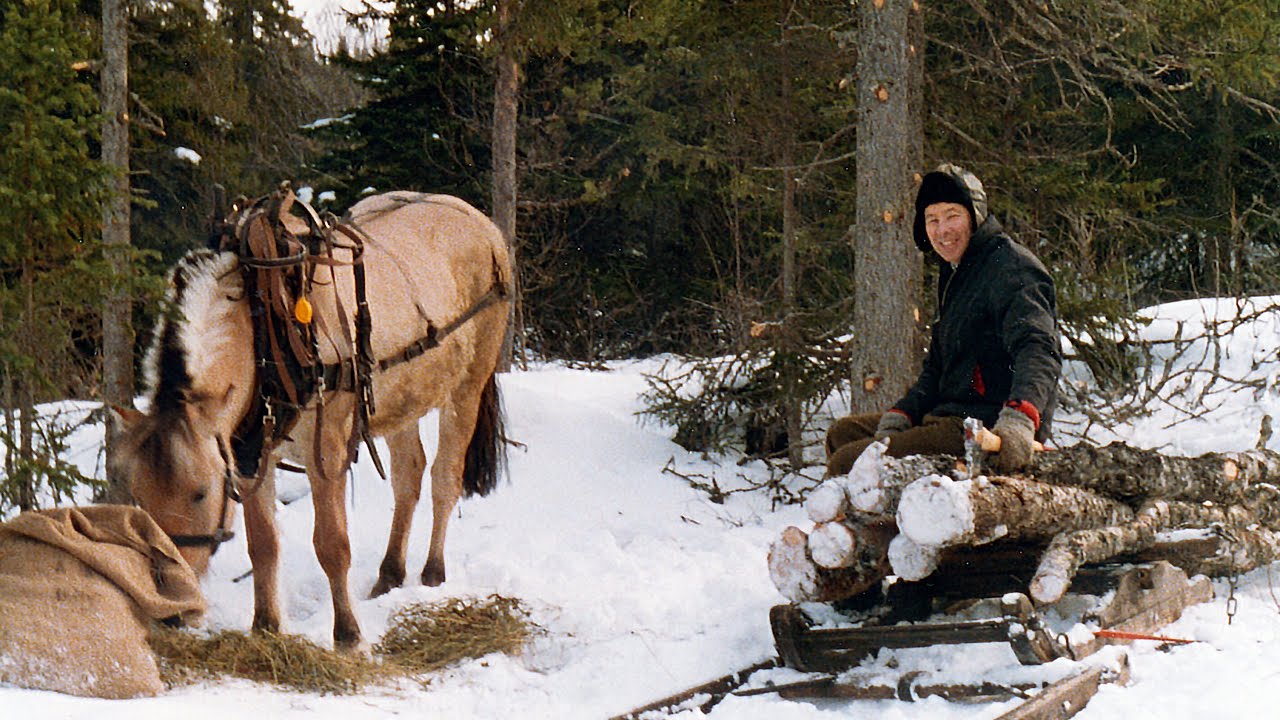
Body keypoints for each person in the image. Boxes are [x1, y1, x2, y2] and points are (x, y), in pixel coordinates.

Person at [825, 163, 1061, 477]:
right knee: (843, 434)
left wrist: (1020, 418)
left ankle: (867, 526)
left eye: (952, 215)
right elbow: (938, 366)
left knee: (849, 462)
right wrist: (905, 413)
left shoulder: (1010, 268)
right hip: (948, 415)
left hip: (985, 427)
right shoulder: (956, 273)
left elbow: (1039, 347)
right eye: (932, 219)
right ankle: (859, 520)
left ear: (975, 216)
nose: (942, 230)